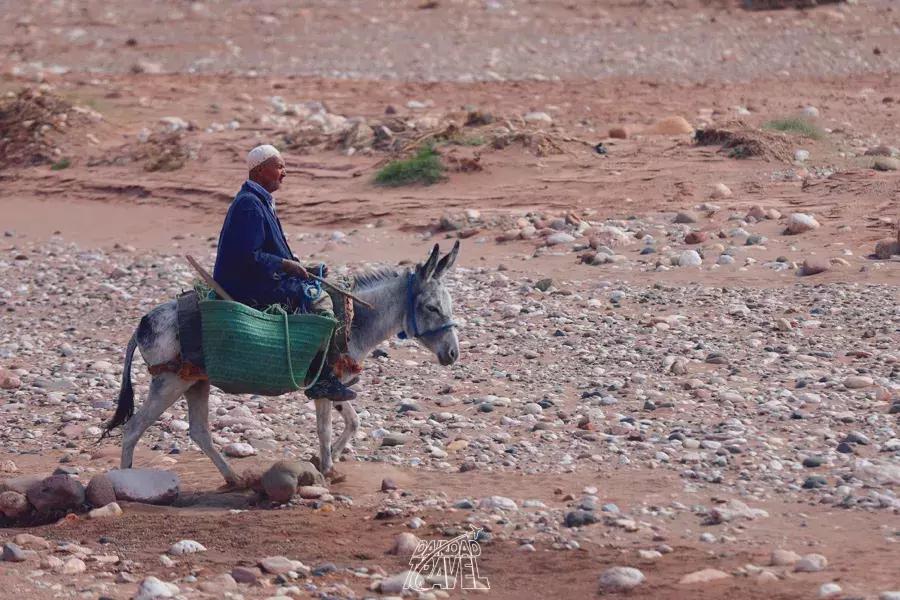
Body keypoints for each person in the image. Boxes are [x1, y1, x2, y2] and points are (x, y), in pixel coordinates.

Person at [213, 144, 356, 402]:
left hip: (260, 277)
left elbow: (269, 250)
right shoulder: (249, 205)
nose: (284, 172)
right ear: (260, 171)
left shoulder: (259, 201)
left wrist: (302, 266)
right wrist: (287, 266)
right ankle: (321, 377)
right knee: (321, 302)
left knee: (328, 285)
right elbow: (248, 256)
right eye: (279, 166)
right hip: (248, 285)